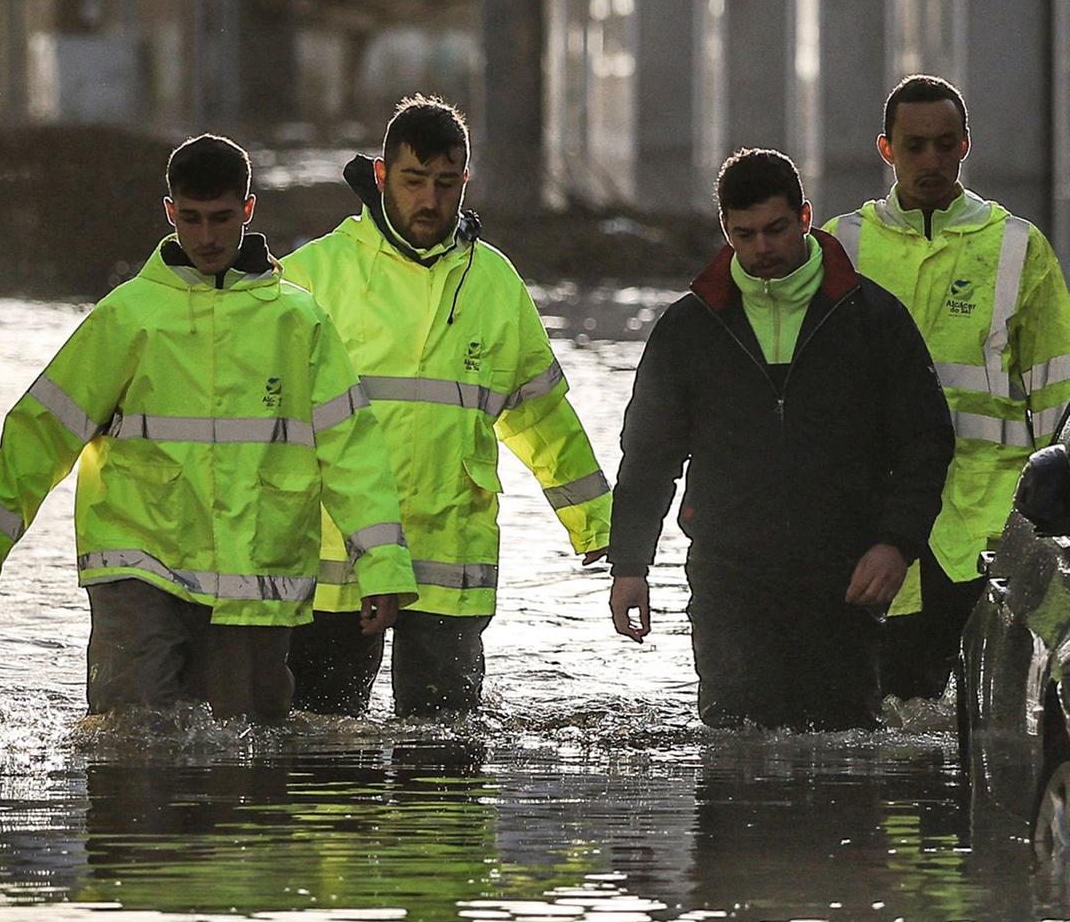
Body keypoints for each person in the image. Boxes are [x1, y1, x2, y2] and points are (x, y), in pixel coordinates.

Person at [0, 133, 416, 721]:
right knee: (129, 742)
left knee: (251, 770)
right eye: (191, 219)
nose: (208, 236)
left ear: (248, 209)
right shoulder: (129, 315)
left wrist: (381, 565)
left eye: (221, 218)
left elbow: (353, 452)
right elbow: (43, 429)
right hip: (141, 569)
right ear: (170, 213)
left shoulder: (299, 322)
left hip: (256, 579)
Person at [281, 95, 611, 718]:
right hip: (333, 561)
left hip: (448, 559)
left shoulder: (493, 283)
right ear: (380, 177)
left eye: (446, 182)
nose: (430, 201)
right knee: (320, 769)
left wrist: (595, 522)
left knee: (444, 770)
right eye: (413, 182)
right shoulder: (311, 276)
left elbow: (540, 414)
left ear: (465, 180)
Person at [608, 148, 954, 731]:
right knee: (734, 753)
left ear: (804, 217)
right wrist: (630, 566)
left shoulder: (871, 318)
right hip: (729, 577)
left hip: (844, 578)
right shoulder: (690, 328)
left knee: (844, 757)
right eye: (744, 235)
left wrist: (896, 543)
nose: (762, 248)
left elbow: (926, 442)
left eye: (775, 230)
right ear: (726, 231)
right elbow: (648, 458)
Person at [824, 74, 1070, 700]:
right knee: (878, 708)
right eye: (914, 146)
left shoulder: (1018, 248)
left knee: (984, 718)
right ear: (887, 150)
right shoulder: (839, 247)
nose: (930, 160)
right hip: (871, 519)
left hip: (986, 522)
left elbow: (1057, 400)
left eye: (944, 144)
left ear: (965, 145)